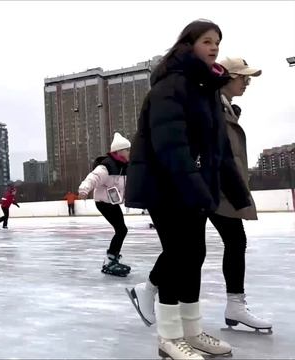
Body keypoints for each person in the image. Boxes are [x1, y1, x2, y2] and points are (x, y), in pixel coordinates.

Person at [123, 20, 251, 359]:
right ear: (188, 44)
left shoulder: (206, 89)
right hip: (165, 185)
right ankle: (169, 338)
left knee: (194, 254)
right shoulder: (170, 87)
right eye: (207, 41)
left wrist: (237, 194)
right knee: (180, 256)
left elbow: (218, 148)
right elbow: (171, 146)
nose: (213, 48)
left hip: (192, 185)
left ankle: (191, 332)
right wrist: (195, 187)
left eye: (217, 43)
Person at [127, 57, 271, 333]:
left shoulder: (224, 105)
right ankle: (170, 309)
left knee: (200, 246)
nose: (246, 83)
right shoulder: (202, 100)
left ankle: (163, 297)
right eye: (243, 77)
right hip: (206, 185)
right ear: (227, 76)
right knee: (190, 247)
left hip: (217, 184)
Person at [78, 132, 131, 277]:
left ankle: (112, 257)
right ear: (119, 151)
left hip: (112, 202)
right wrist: (84, 189)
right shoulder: (107, 165)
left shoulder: (125, 166)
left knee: (122, 230)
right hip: (103, 202)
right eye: (127, 150)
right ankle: (110, 259)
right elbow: (93, 177)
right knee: (121, 230)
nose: (129, 152)